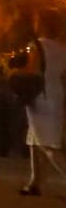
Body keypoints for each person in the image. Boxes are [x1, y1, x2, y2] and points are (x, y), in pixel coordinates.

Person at [20, 10, 66, 196]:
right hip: (56, 93)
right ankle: (34, 182)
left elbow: (31, 70)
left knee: (48, 145)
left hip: (40, 97)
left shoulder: (36, 46)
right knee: (35, 139)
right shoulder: (62, 47)